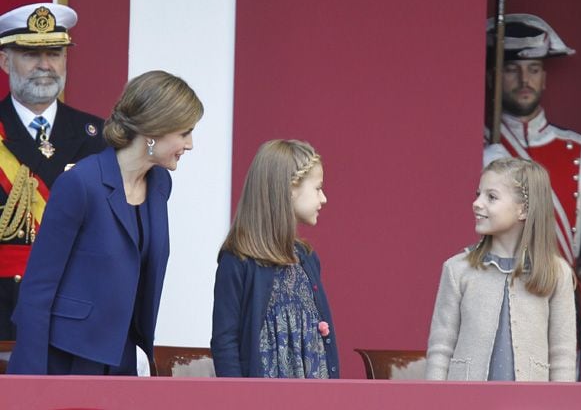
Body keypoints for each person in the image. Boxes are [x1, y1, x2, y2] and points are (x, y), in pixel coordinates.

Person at [7, 70, 204, 375]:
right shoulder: (81, 183)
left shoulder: (160, 184)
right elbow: (38, 288)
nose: (190, 144)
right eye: (184, 133)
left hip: (123, 356)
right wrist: (31, 383)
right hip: (67, 358)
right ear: (153, 130)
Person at [484, 13, 581, 363]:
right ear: (493, 77)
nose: (524, 79)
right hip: (498, 300)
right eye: (512, 70)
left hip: (564, 303)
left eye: (533, 69)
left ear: (545, 78)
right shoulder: (480, 149)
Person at [0, 2, 106, 339]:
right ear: (4, 61)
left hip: (75, 312)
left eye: (55, 53)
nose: (45, 65)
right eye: (31, 54)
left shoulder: (99, 136)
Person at [425, 157, 576, 381]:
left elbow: (563, 355)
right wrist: (434, 400)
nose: (477, 203)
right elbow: (440, 348)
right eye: (478, 194)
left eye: (491, 197)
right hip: (465, 403)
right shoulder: (457, 269)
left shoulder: (557, 273)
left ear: (523, 210)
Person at [211, 139, 339, 378]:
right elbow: (225, 343)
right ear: (290, 188)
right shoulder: (237, 260)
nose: (324, 199)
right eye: (317, 188)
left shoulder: (307, 260)